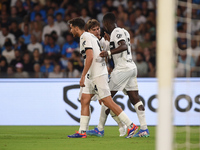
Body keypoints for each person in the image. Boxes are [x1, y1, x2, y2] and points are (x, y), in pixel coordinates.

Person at [67, 17, 138, 138]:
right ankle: (82, 131)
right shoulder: (92, 37)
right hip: (92, 74)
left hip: (98, 74)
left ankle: (131, 125)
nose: (70, 31)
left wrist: (82, 76)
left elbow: (89, 57)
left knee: (107, 101)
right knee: (85, 99)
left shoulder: (85, 37)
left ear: (76, 28)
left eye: (71, 28)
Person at [87, 12, 149, 137]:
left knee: (106, 98)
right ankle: (144, 129)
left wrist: (108, 52)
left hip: (123, 69)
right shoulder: (124, 32)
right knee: (135, 98)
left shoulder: (116, 32)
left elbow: (123, 46)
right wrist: (110, 43)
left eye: (104, 25)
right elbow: (120, 45)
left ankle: (100, 129)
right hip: (131, 67)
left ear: (106, 23)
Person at [84, 19, 127, 137]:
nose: (97, 31)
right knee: (100, 102)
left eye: (98, 29)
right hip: (92, 76)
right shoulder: (88, 40)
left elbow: (109, 53)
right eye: (94, 29)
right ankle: (119, 125)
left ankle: (122, 125)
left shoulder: (103, 41)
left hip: (100, 75)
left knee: (104, 102)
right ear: (88, 31)